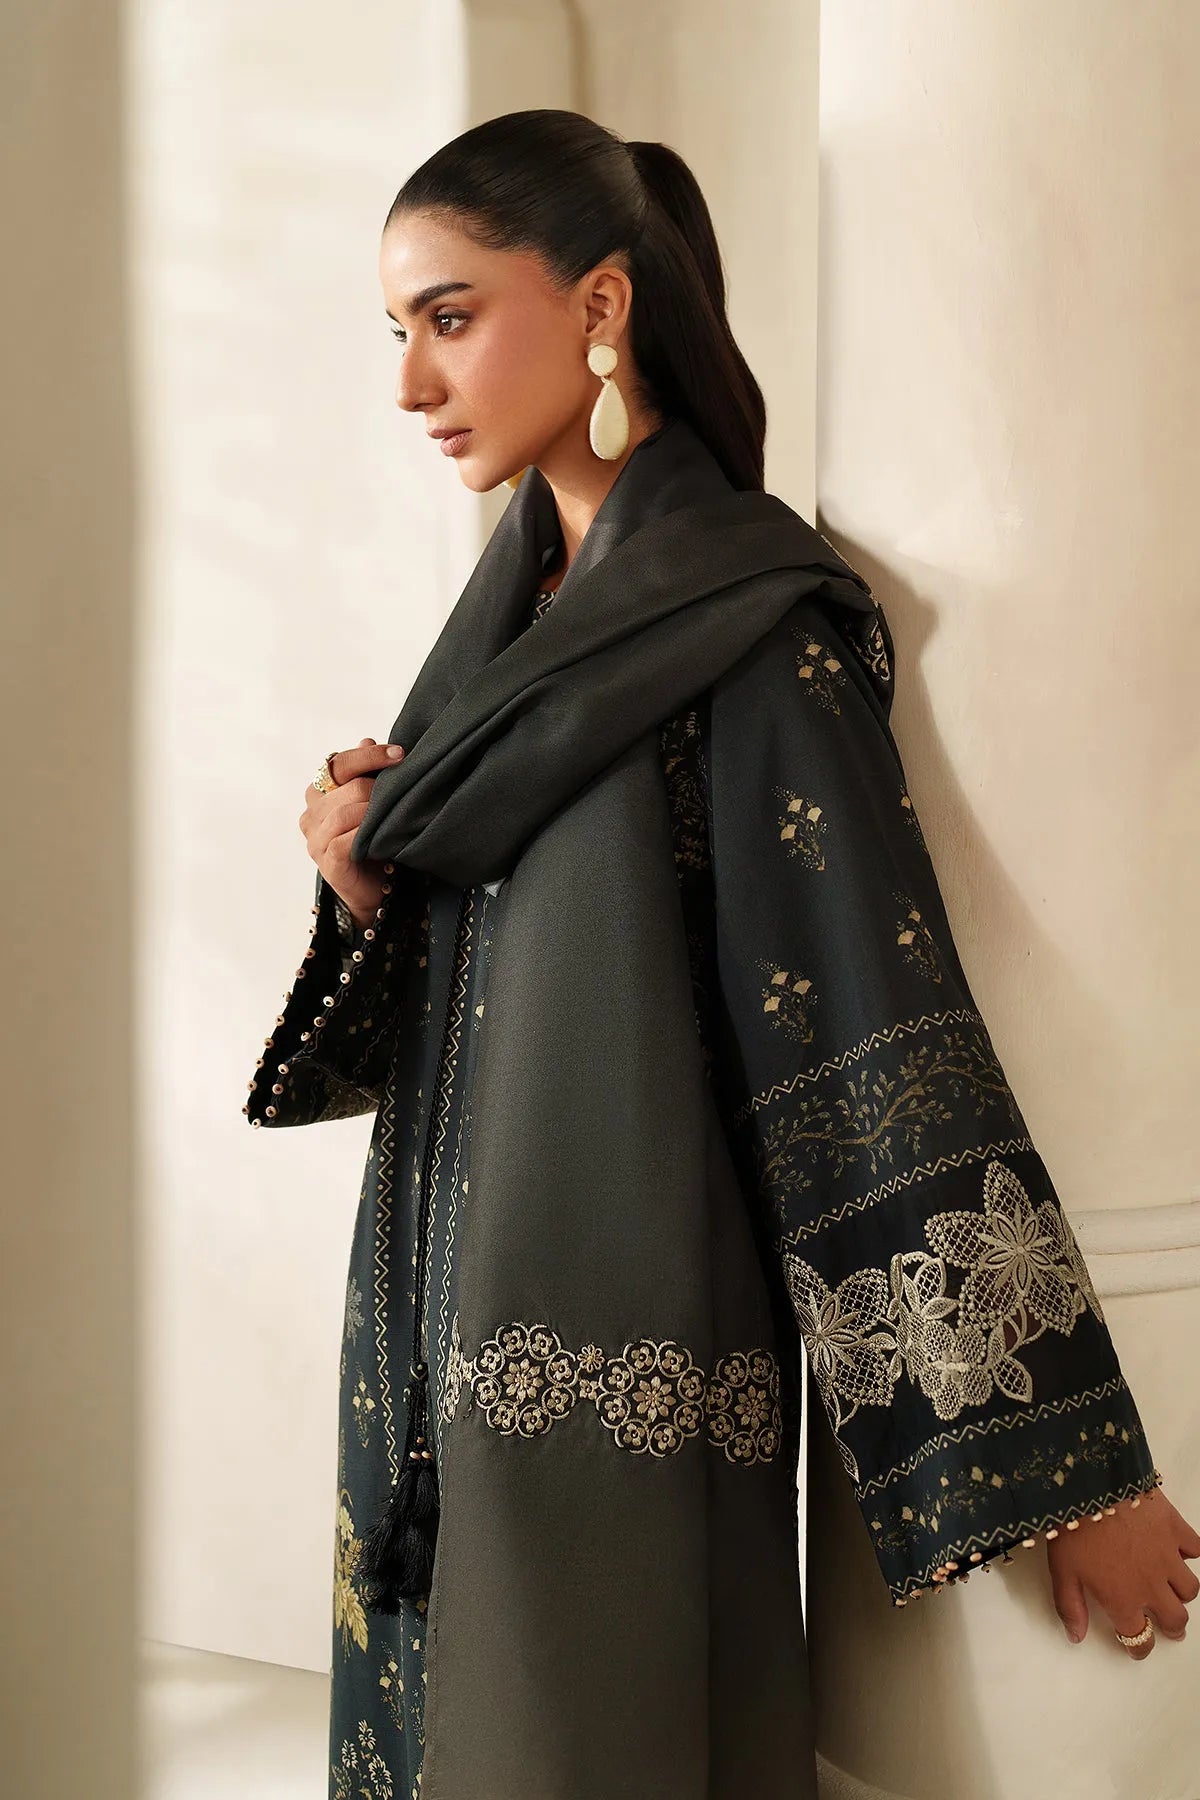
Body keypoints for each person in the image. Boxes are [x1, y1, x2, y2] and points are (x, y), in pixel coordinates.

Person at [245, 109, 1198, 1800]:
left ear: (602, 304)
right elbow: (480, 1001)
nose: (409, 384)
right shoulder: (514, 635)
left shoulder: (744, 634)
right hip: (424, 1338)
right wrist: (367, 885)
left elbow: (871, 1040)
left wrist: (1071, 1469)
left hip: (617, 1374)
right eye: (397, 329)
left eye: (450, 318)